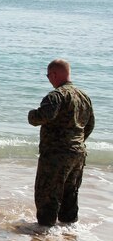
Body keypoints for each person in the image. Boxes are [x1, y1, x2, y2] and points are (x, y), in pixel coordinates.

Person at [27, 59, 95, 226]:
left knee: (47, 195)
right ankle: (68, 234)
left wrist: (31, 115)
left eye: (48, 75)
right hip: (78, 153)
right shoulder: (83, 96)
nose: (49, 79)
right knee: (70, 194)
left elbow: (43, 116)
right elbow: (90, 124)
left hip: (56, 154)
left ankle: (43, 234)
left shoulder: (56, 96)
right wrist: (76, 142)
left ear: (55, 74)